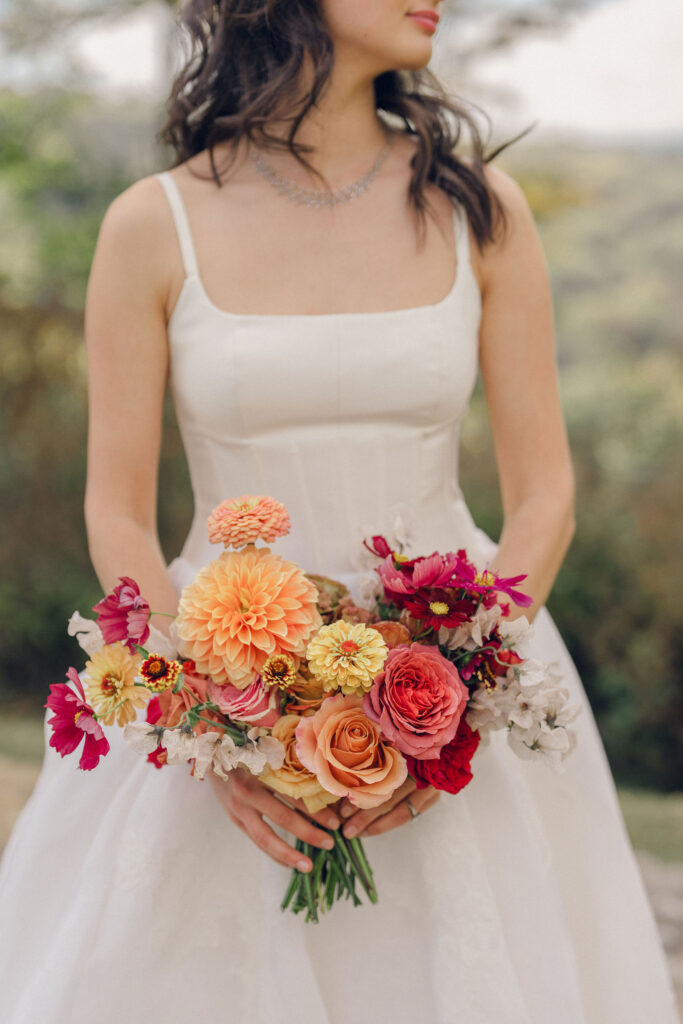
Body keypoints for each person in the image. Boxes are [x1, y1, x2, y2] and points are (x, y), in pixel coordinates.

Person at [0, 1, 678, 1021]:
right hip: (219, 674)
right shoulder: (152, 221)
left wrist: (452, 695)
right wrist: (218, 729)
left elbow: (545, 495)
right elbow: (118, 510)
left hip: (459, 683)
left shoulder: (480, 209)